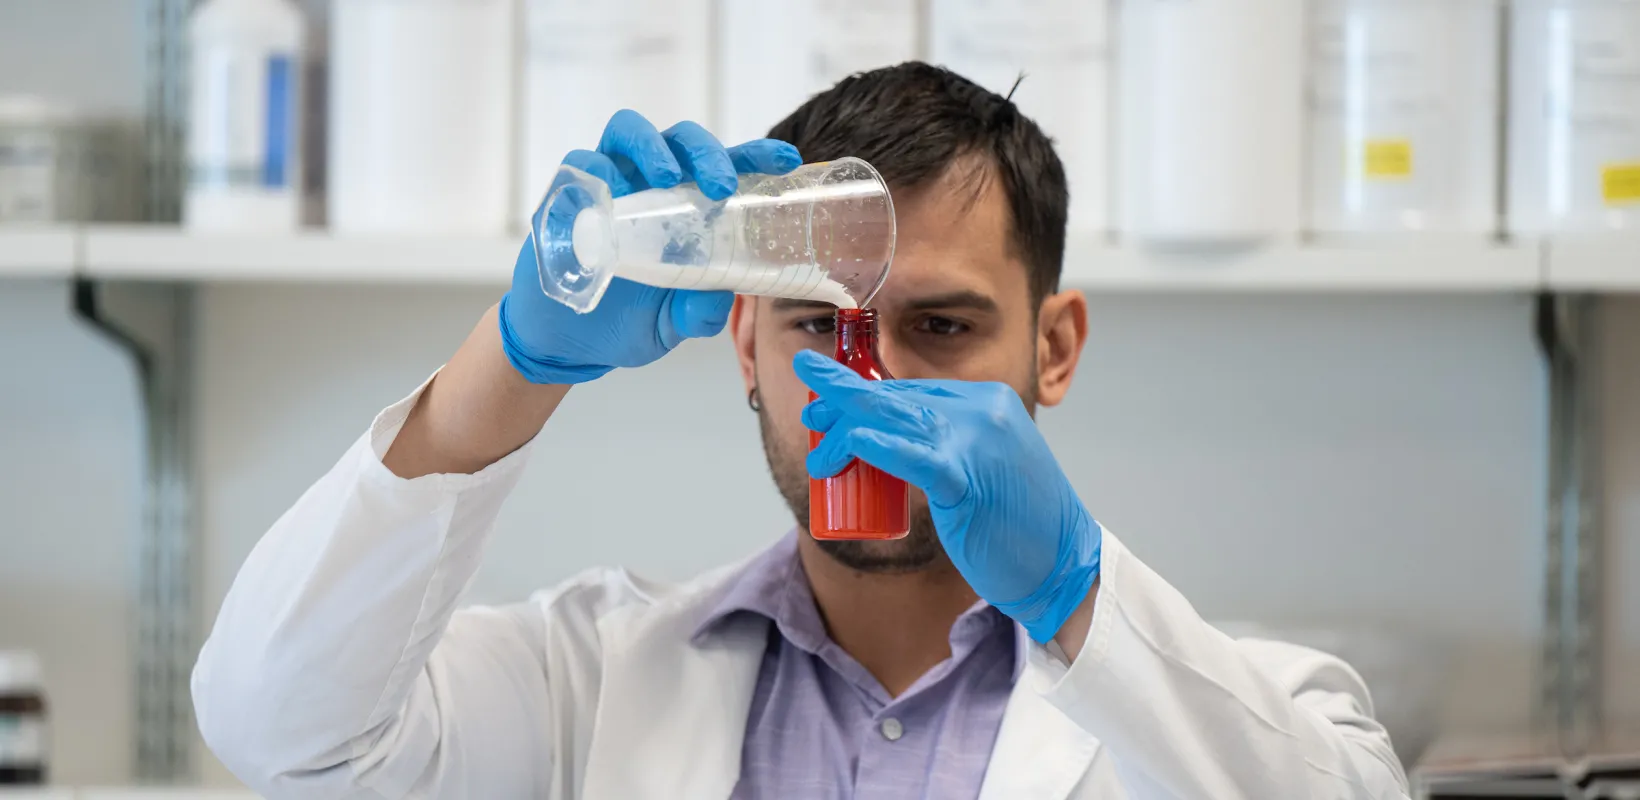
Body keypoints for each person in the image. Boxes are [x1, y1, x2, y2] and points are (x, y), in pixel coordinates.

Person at [193, 63, 1409, 799]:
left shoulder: (1259, 707)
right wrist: (519, 354)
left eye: (938, 324)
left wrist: (1076, 590)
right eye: (819, 328)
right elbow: (278, 728)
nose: (869, 383)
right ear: (740, 345)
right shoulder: (592, 680)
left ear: (1052, 346)